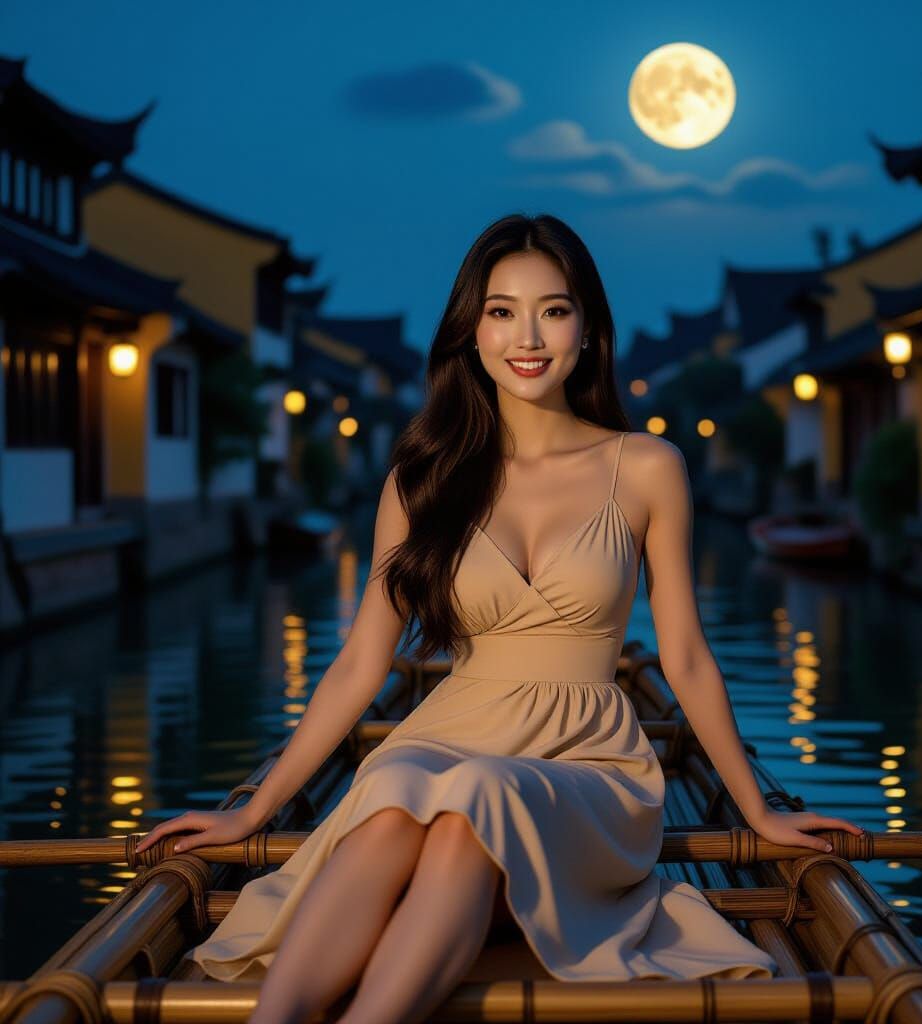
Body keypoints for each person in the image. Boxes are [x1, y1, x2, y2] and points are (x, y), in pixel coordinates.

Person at [135, 213, 863, 1024]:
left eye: (553, 310)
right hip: (450, 733)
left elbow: (686, 656)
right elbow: (361, 661)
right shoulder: (421, 478)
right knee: (399, 785)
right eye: (502, 311)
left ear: (588, 329)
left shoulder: (646, 467)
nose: (529, 337)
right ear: (471, 332)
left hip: (589, 760)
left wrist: (757, 810)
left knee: (475, 793)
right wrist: (252, 811)